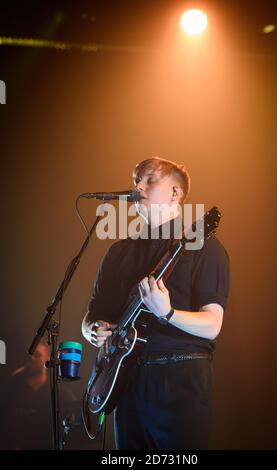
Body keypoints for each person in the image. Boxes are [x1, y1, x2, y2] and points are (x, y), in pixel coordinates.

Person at [82, 157, 230, 450]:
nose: (137, 186)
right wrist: (91, 330)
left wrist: (169, 313)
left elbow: (212, 325)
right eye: (136, 179)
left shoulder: (203, 245)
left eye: (149, 179)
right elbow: (93, 315)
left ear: (175, 193)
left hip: (179, 380)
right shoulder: (117, 253)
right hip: (126, 379)